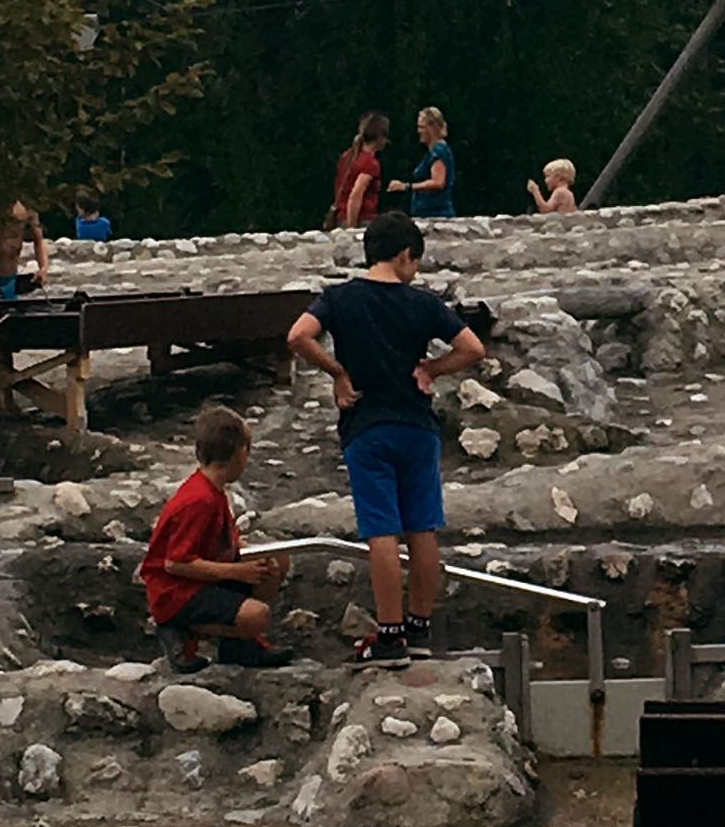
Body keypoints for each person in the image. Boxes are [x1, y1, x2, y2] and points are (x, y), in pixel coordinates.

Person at [290, 213, 486, 662]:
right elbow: (473, 347)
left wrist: (337, 372)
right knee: (422, 526)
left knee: (382, 530)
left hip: (366, 426)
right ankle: (419, 628)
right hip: (417, 426)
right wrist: (432, 368)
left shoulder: (338, 298)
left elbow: (298, 335)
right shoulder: (422, 303)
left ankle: (390, 633)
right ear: (404, 255)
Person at [136, 404, 290, 661]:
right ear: (238, 454)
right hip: (176, 592)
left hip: (201, 578)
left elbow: (223, 539)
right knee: (258, 615)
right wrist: (240, 572)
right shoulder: (199, 500)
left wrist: (250, 555)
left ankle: (239, 642)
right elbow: (175, 563)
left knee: (276, 559)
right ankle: (187, 628)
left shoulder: (212, 491)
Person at [0, 197, 55, 416]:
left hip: (10, 277)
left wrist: (43, 268)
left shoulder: (29, 210)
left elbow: (38, 241)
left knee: (6, 338)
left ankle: (7, 396)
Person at [392, 106, 455, 222]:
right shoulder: (435, 152)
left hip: (435, 214)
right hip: (426, 213)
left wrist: (407, 187)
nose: (418, 131)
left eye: (422, 127)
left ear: (432, 127)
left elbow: (438, 182)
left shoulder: (438, 151)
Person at [331, 114, 390, 231]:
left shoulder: (348, 156)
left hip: (340, 217)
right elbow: (356, 194)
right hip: (361, 220)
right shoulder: (370, 163)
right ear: (380, 137)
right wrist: (352, 228)